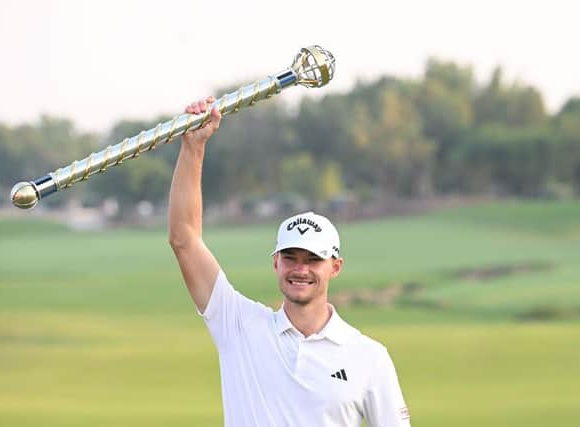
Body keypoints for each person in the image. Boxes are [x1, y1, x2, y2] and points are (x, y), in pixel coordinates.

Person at [168, 97, 411, 427]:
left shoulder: (369, 357)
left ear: (335, 267)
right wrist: (193, 148)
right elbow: (184, 239)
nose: (301, 269)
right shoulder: (239, 326)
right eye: (291, 258)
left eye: (313, 260)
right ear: (275, 263)